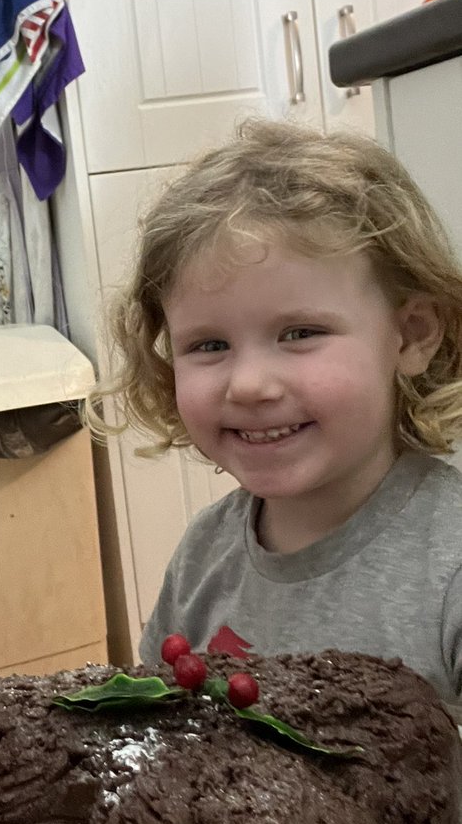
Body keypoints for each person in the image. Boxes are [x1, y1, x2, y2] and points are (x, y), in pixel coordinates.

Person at [95, 117, 462, 715]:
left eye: (299, 333)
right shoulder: (202, 557)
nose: (249, 384)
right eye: (209, 345)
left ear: (411, 334)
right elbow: (155, 741)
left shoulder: (449, 564)